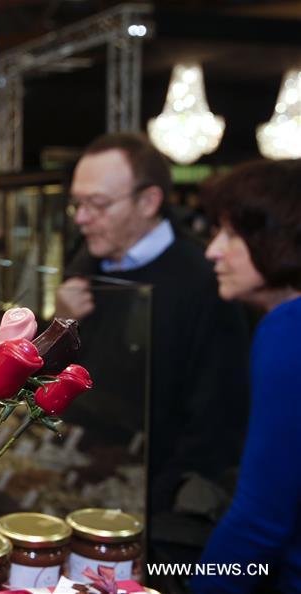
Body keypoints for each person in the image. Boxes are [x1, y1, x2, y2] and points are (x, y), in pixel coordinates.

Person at [54, 134, 251, 545]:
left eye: (99, 204)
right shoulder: (85, 258)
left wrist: (157, 497)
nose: (82, 218)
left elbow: (218, 414)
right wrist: (59, 324)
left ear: (148, 202)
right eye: (78, 203)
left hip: (154, 504)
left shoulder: (203, 280)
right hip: (77, 477)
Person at [192, 159, 301, 594]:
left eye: (233, 235)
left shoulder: (289, 329)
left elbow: (262, 517)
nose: (212, 250)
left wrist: (205, 585)